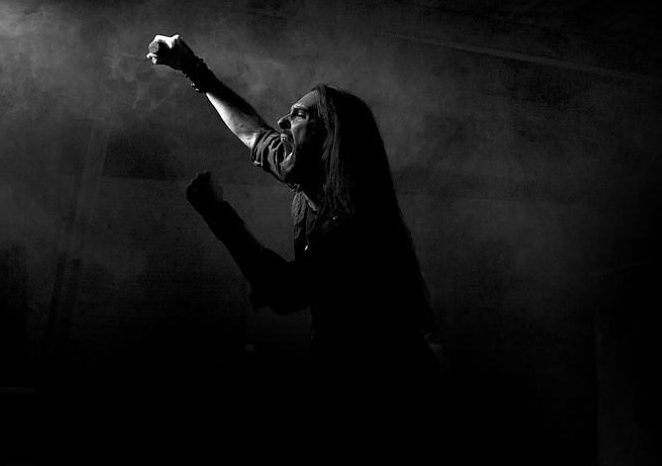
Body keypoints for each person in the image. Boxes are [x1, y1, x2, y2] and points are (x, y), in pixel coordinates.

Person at [146, 33, 444, 454]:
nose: (282, 122)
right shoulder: (310, 187)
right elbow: (254, 133)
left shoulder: (355, 225)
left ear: (329, 139)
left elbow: (283, 290)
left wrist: (217, 213)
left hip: (392, 405)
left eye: (298, 115)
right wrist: (193, 69)